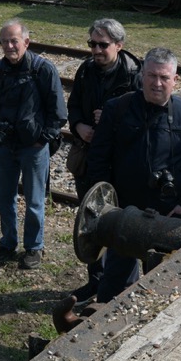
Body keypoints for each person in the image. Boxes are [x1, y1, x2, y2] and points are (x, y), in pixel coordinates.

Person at [85, 47, 181, 303]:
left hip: (168, 215)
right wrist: (108, 206)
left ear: (175, 80)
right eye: (152, 75)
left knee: (161, 286)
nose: (157, 83)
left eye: (164, 77)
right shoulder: (118, 109)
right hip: (123, 212)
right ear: (142, 75)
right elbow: (97, 160)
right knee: (114, 283)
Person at [66, 18, 142, 301]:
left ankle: (118, 282)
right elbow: (73, 106)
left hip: (119, 164)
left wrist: (112, 119)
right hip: (89, 159)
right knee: (90, 220)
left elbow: (143, 123)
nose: (96, 50)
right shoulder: (86, 70)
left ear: (119, 46)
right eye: (92, 44)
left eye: (102, 45)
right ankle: (96, 279)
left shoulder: (134, 75)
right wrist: (79, 127)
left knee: (118, 223)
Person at [0, 19, 66, 270]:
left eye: (14, 41)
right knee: (4, 197)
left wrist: (43, 139)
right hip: (4, 146)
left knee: (34, 200)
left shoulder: (44, 69)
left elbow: (58, 111)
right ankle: (8, 243)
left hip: (33, 147)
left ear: (26, 42)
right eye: (5, 42)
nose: (9, 46)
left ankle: (34, 247)